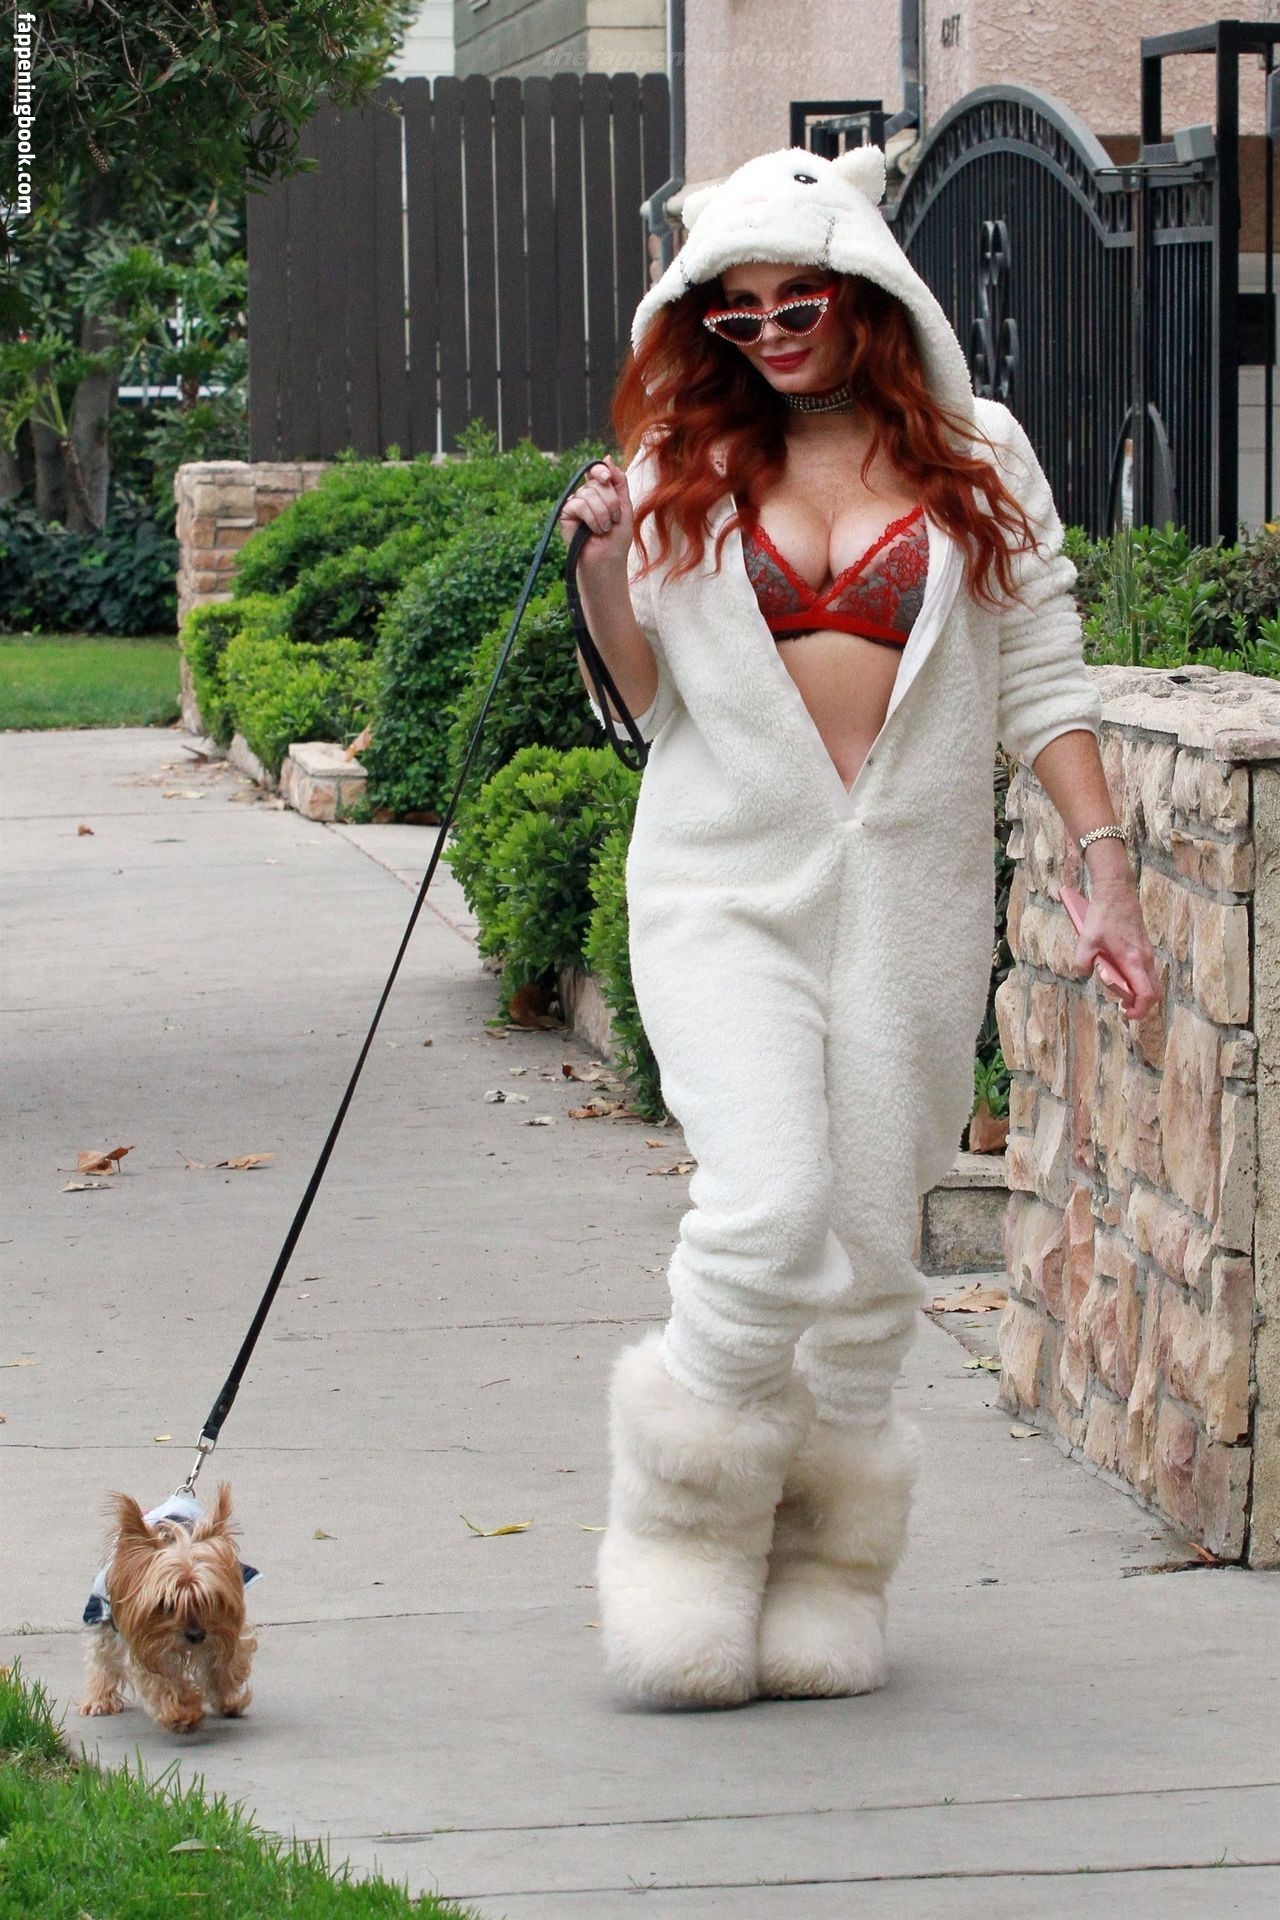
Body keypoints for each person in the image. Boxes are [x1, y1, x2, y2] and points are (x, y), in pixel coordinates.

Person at [556, 143, 1160, 1711]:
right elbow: (641, 706)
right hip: (721, 888)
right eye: (735, 311)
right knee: (767, 1211)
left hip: (910, 897)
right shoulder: (684, 454)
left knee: (873, 1254)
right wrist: (606, 565)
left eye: (795, 301)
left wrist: (1104, 873)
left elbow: (1044, 680)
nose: (767, 332)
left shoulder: (980, 451)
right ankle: (681, 1545)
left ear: (865, 291)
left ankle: (826, 1570)